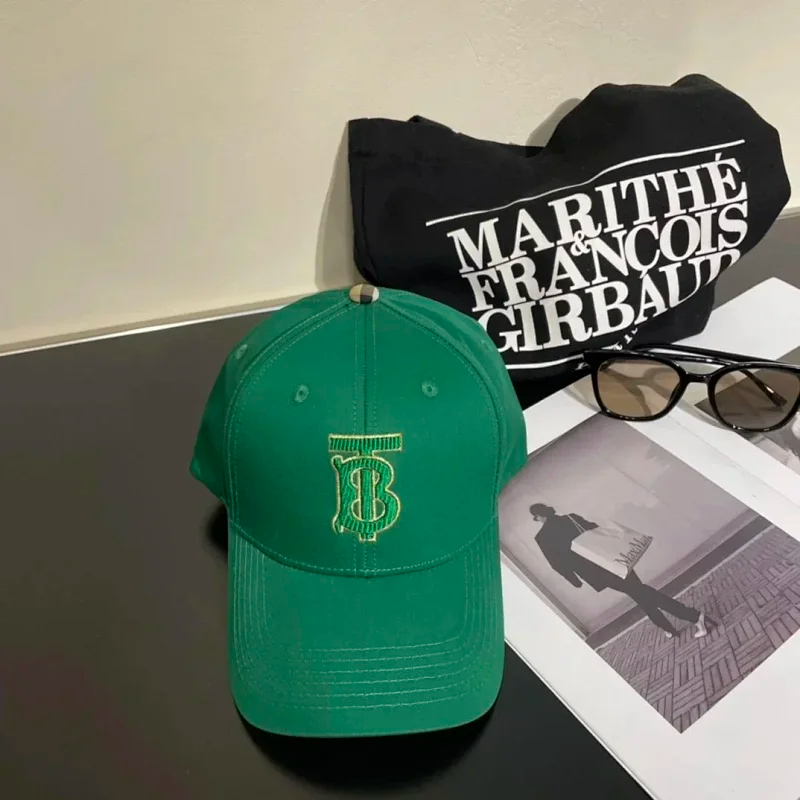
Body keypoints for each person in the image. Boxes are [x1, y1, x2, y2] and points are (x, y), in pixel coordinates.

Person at [529, 502, 708, 639]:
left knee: (641, 593)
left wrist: (575, 581)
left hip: (597, 573)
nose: (537, 521)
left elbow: (557, 564)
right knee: (639, 593)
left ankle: (693, 616)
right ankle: (668, 627)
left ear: (538, 516)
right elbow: (597, 531)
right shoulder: (571, 518)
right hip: (614, 561)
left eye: (535, 518)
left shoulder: (543, 537)